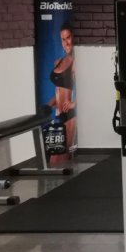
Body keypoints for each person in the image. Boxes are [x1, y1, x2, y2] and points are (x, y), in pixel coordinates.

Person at [49, 22, 76, 157]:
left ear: (73, 37)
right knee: (55, 156)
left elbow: (86, 88)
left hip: (69, 115)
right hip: (57, 115)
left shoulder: (75, 62)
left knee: (63, 156)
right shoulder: (58, 62)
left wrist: (73, 103)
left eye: (68, 38)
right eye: (63, 39)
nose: (66, 43)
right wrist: (49, 105)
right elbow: (58, 91)